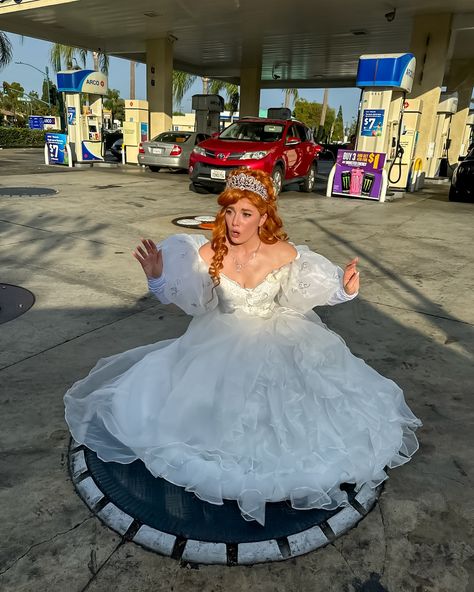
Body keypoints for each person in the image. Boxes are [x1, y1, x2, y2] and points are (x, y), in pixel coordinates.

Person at [64, 168, 420, 526]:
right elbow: (193, 303)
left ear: (263, 217)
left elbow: (305, 295)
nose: (235, 222)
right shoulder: (207, 252)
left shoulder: (285, 254)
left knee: (297, 409)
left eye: (246, 214)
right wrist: (158, 278)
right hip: (217, 339)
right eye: (230, 212)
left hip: (277, 333)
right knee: (196, 409)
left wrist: (344, 288)